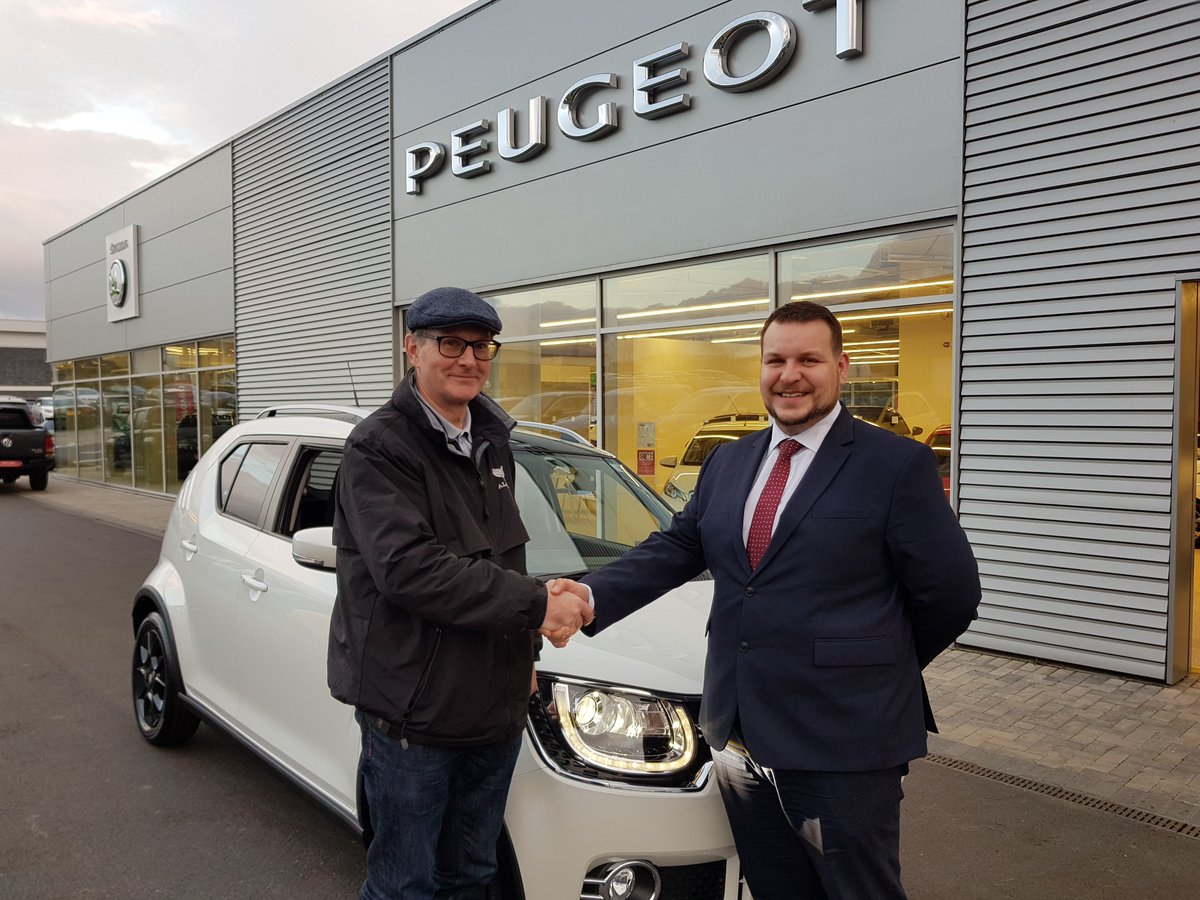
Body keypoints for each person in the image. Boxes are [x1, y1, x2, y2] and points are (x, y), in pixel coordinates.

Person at [558, 300, 980, 899]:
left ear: (841, 367)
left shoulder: (894, 465)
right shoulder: (730, 460)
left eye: (809, 359)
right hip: (739, 736)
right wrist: (587, 596)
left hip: (844, 738)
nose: (791, 374)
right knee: (775, 886)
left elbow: (953, 594)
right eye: (776, 359)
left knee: (857, 889)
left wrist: (875, 665)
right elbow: (679, 546)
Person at [327, 286, 593, 900]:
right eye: (450, 344)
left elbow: (501, 556)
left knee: (472, 875)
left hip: (491, 706)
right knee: (405, 885)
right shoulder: (379, 446)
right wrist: (537, 604)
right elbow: (410, 569)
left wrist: (525, 650)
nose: (468, 359)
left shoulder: (493, 439)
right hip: (413, 714)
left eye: (481, 347)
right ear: (411, 348)